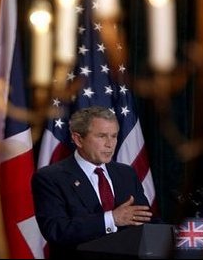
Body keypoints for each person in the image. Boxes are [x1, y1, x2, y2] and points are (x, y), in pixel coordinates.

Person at [32, 106, 153, 258]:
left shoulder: (126, 173)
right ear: (78, 139)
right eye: (102, 136)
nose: (110, 144)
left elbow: (146, 219)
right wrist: (111, 219)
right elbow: (57, 230)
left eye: (114, 136)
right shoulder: (51, 178)